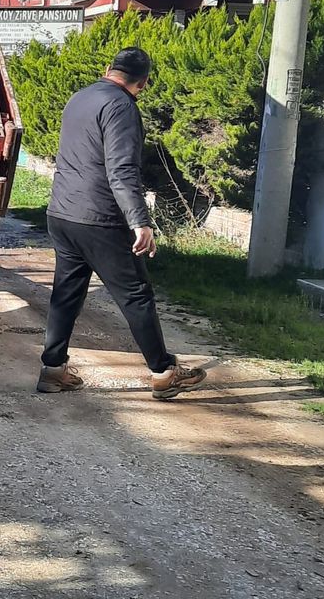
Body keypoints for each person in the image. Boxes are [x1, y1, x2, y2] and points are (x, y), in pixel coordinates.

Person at [36, 47, 207, 401]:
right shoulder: (121, 106)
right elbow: (122, 169)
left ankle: (53, 370)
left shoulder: (80, 98)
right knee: (136, 294)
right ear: (143, 83)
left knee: (66, 294)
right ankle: (163, 372)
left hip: (62, 213)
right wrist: (140, 221)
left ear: (107, 69)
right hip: (100, 217)